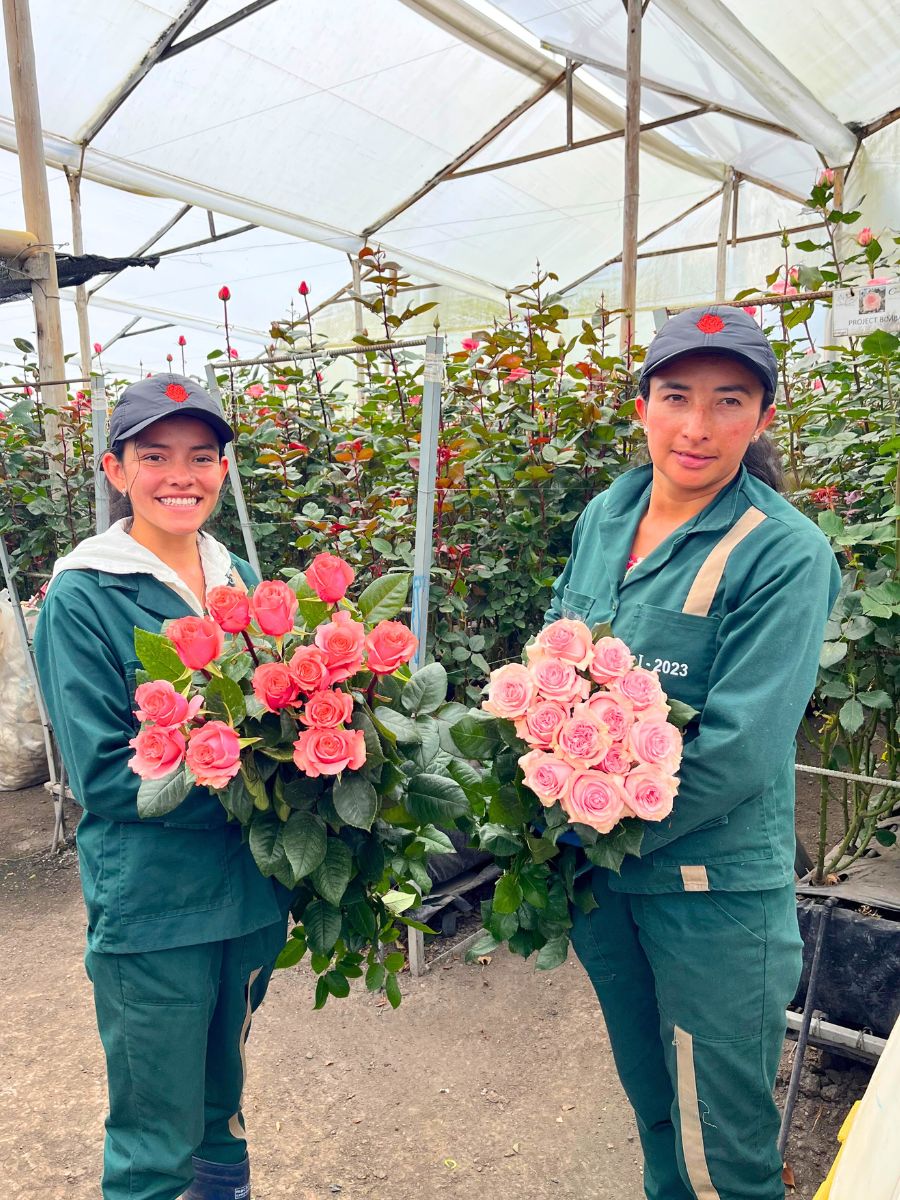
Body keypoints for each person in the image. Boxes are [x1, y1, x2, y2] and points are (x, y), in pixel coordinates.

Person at [547, 307, 840, 1200]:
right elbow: (558, 649)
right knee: (648, 1093)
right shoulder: (609, 511)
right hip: (603, 872)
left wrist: (585, 823)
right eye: (676, 396)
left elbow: (743, 750)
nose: (697, 426)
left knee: (735, 1131)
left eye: (729, 401)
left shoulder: (785, 551)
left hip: (712, 884)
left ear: (762, 418)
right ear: (643, 404)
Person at [34, 376, 290, 1200]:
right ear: (115, 470)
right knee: (154, 1126)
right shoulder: (85, 593)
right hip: (156, 906)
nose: (181, 475)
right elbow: (109, 774)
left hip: (248, 896)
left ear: (224, 468)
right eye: (155, 456)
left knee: (223, 1101)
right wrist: (263, 779)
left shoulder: (235, 575)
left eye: (202, 456)